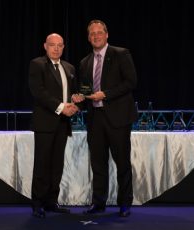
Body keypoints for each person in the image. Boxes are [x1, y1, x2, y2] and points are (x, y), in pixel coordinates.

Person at [75, 19, 138, 217]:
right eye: (92, 33)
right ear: (88, 37)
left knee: (122, 163)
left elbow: (131, 82)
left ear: (107, 34)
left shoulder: (120, 54)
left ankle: (125, 203)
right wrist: (79, 98)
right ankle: (98, 202)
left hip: (118, 118)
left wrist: (106, 94)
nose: (96, 36)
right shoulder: (84, 62)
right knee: (98, 164)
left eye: (99, 32)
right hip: (95, 119)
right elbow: (86, 92)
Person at [29, 33, 79, 218]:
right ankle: (37, 203)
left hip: (63, 124)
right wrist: (61, 107)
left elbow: (73, 93)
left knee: (56, 165)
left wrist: (75, 102)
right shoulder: (37, 64)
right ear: (45, 46)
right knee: (42, 164)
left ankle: (51, 202)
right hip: (45, 122)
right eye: (52, 45)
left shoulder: (69, 67)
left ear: (64, 47)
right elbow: (38, 92)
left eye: (60, 45)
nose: (56, 48)